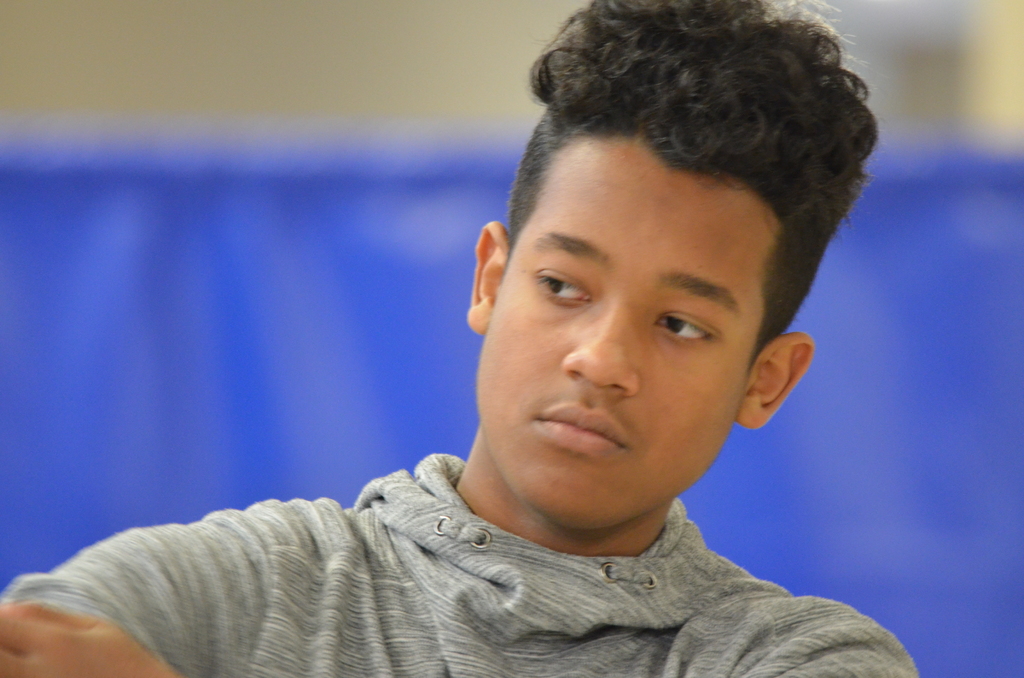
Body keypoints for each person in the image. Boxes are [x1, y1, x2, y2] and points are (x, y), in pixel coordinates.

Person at [0, 0, 918, 676]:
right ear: (490, 280)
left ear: (766, 379)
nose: (600, 359)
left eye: (680, 324)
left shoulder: (798, 658)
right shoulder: (232, 588)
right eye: (563, 286)